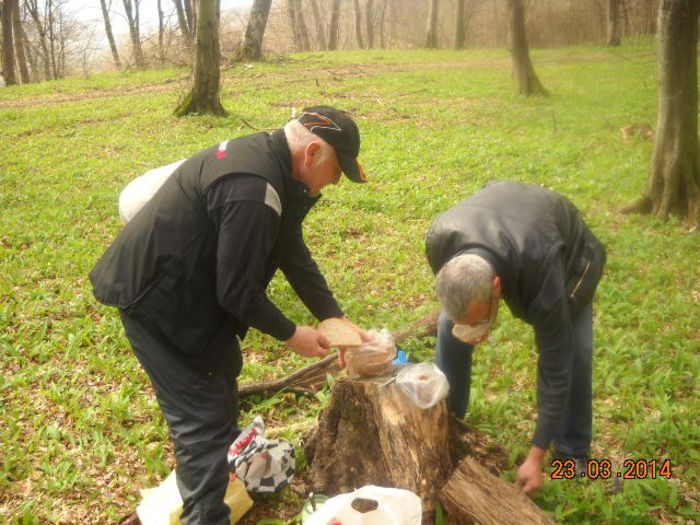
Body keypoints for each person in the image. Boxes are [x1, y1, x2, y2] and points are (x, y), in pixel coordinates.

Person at [89, 106, 369, 524]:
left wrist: (334, 317)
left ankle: (227, 467)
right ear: (312, 152)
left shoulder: (274, 167)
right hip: (157, 301)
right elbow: (237, 292)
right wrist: (294, 333)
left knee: (222, 377)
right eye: (336, 170)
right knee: (200, 421)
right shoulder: (253, 188)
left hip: (191, 290)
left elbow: (291, 250)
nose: (335, 181)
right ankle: (205, 512)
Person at [425, 180, 606, 495]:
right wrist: (467, 321)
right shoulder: (440, 239)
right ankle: (449, 417)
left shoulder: (543, 272)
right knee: (448, 327)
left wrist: (535, 455)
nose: (476, 329)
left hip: (567, 252)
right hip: (501, 217)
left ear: (497, 287)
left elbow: (555, 364)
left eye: (480, 318)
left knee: (574, 352)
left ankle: (572, 451)